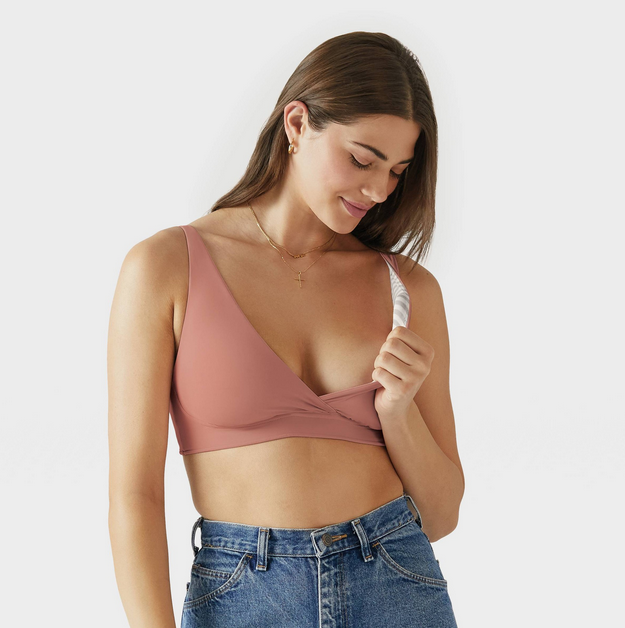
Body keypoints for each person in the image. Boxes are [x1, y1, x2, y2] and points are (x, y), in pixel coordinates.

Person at [108, 31, 464, 628]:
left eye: (397, 171)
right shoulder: (166, 268)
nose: (378, 190)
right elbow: (134, 496)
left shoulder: (407, 290)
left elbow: (442, 514)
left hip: (396, 581)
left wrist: (398, 412)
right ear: (297, 124)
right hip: (243, 594)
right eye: (362, 159)